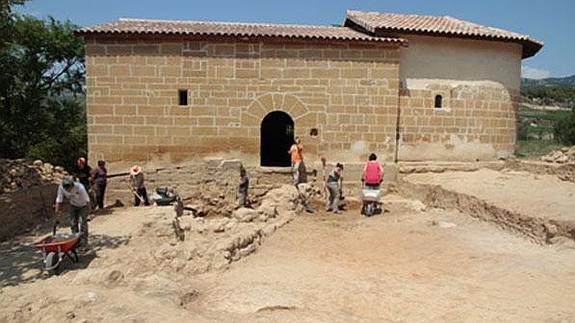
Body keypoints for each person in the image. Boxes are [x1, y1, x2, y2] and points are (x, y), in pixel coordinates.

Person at [54, 176, 91, 248]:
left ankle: (84, 242)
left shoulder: (80, 187)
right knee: (73, 223)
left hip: (83, 205)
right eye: (66, 189)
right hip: (73, 205)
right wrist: (57, 215)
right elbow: (59, 200)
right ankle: (75, 241)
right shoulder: (61, 187)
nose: (68, 191)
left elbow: (87, 201)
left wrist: (89, 213)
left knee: (83, 223)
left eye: (70, 188)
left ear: (72, 185)